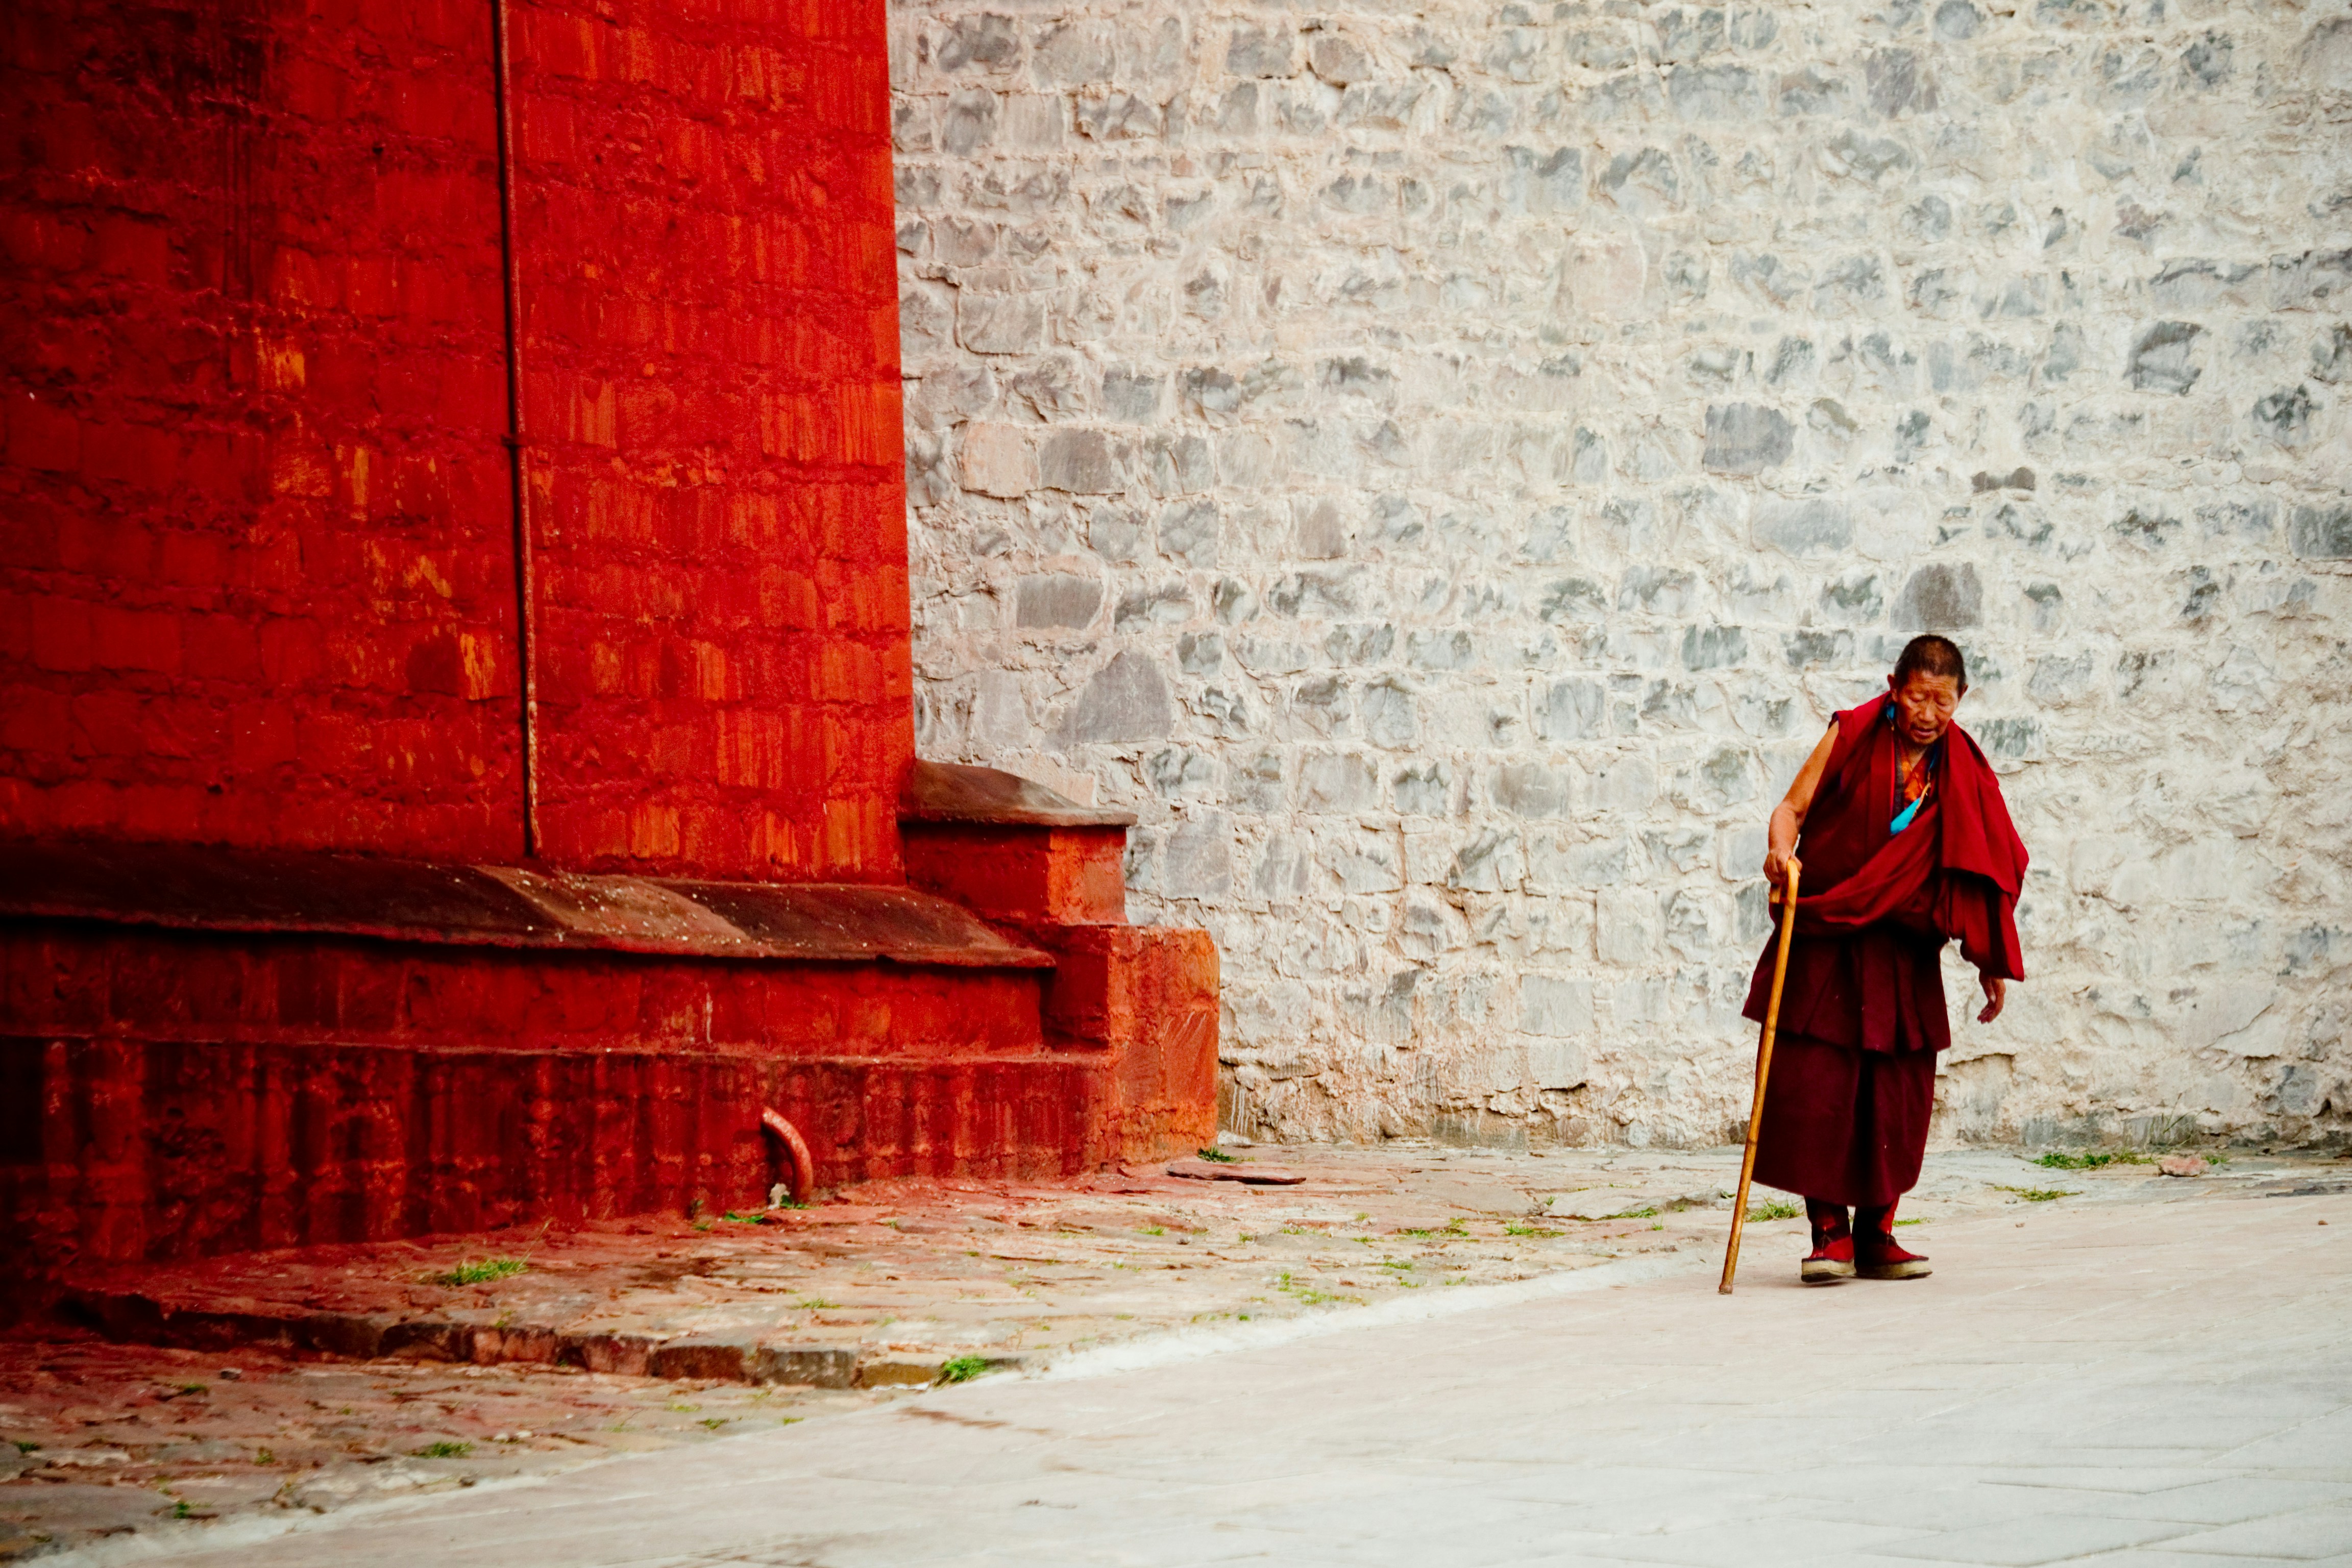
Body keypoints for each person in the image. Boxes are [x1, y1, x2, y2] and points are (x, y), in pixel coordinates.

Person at [1747, 634, 2028, 1284]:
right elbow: (1791, 810)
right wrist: (1780, 853)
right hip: (1830, 941)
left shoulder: (1962, 769)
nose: (1929, 715)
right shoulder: (1850, 734)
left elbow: (1982, 865)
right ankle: (1828, 1236)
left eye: (1943, 701)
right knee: (1820, 1089)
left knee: (1896, 1097)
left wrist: (1987, 957)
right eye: (1917, 698)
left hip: (1904, 953)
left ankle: (1877, 1233)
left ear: (1962, 700)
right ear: (1894, 688)